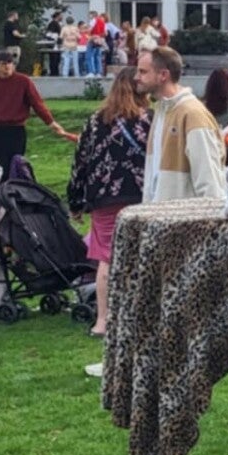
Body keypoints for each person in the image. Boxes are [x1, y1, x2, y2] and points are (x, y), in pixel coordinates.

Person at [70, 69, 150, 372]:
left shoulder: (96, 120)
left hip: (104, 196)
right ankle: (138, 315)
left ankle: (102, 320)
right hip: (141, 193)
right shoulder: (149, 120)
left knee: (106, 256)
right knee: (140, 254)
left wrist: (75, 200)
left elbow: (80, 162)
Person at [135, 47, 226, 202]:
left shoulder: (193, 113)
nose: (136, 77)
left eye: (143, 72)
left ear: (163, 75)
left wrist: (211, 213)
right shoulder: (162, 110)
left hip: (186, 215)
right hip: (160, 213)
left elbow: (209, 180)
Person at [0, 51, 76, 164]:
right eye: (3, 64)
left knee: (15, 164)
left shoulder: (23, 81)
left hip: (16, 129)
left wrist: (51, 122)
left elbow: (37, 103)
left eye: (10, 63)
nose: (7, 66)